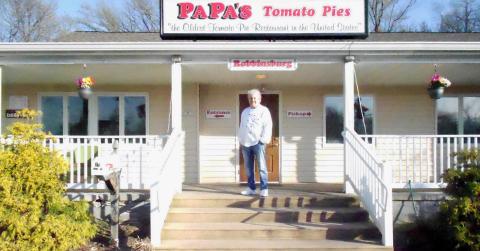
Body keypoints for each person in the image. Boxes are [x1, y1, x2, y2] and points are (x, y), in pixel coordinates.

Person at [238, 89, 273, 197]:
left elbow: (268, 126)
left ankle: (264, 188)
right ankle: (251, 188)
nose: (253, 100)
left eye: (255, 98)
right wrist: (241, 140)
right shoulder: (245, 111)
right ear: (248, 99)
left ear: (259, 99)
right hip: (246, 143)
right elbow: (242, 126)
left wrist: (263, 140)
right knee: (248, 168)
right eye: (251, 98)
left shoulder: (264, 110)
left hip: (258, 143)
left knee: (262, 167)